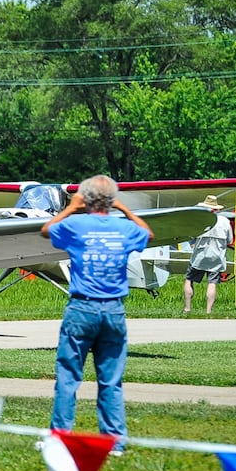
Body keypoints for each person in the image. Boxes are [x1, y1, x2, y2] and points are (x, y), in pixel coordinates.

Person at [39, 175, 153, 452]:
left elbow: (46, 231)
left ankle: (60, 437)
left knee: (68, 376)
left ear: (85, 199)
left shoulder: (76, 225)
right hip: (114, 309)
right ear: (110, 201)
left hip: (81, 307)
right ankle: (114, 442)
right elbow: (148, 234)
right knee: (111, 380)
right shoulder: (124, 228)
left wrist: (71, 207)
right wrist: (124, 209)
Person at [183, 196, 233, 315]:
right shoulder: (225, 221)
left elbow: (190, 237)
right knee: (212, 283)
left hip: (199, 256)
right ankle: (208, 311)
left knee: (189, 280)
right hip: (217, 257)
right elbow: (230, 240)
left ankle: (187, 308)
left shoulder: (199, 220)